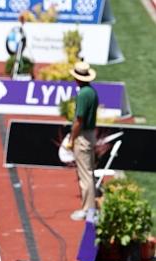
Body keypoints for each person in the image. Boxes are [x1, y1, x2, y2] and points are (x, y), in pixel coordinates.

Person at [65, 61, 99, 221]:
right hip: (90, 134)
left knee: (85, 174)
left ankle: (88, 209)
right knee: (89, 172)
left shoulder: (83, 94)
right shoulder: (91, 92)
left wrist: (71, 138)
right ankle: (91, 206)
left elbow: (79, 119)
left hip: (83, 136)